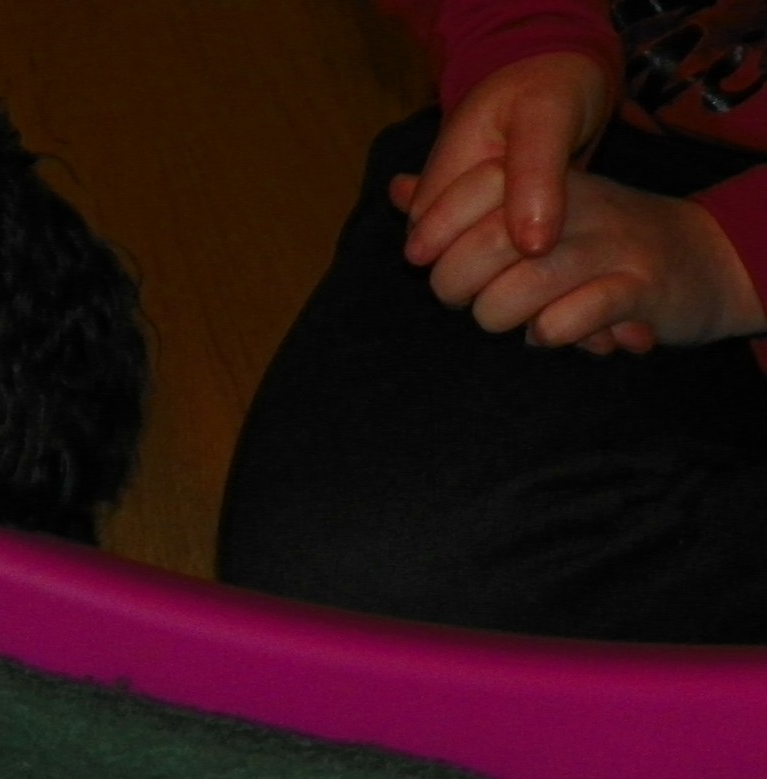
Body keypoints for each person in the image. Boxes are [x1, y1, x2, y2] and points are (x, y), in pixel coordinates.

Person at [218, 0, 767, 643]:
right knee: (353, 595)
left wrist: (731, 255)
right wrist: (524, 37)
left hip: (711, 227)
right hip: (619, 130)